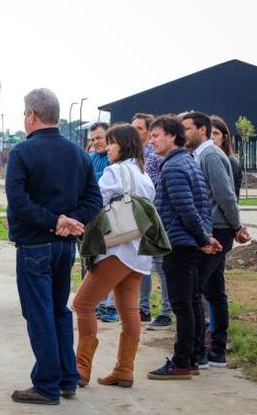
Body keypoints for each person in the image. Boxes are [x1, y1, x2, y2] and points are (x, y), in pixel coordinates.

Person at [6, 88, 102, 405]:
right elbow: (94, 199)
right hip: (65, 247)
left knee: (40, 315)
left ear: (32, 115)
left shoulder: (21, 153)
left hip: (36, 245)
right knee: (59, 311)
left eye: (24, 113)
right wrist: (71, 221)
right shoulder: (78, 153)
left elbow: (18, 202)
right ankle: (66, 378)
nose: (24, 119)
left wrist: (54, 221)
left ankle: (46, 384)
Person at [73, 124, 160, 389]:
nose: (107, 148)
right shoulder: (143, 174)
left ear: (123, 144)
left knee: (82, 304)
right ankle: (124, 369)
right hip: (139, 253)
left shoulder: (116, 171)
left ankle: (81, 368)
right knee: (129, 310)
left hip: (116, 248)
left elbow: (95, 202)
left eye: (111, 143)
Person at [146, 115, 219, 380]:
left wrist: (202, 239)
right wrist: (204, 238)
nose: (151, 141)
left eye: (156, 135)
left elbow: (186, 209)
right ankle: (192, 358)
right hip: (188, 243)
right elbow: (199, 208)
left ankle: (180, 363)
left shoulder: (174, 167)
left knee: (182, 305)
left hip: (179, 244)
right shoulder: (186, 162)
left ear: (173, 137)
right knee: (190, 302)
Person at [181, 112, 248, 369]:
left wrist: (236, 227)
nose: (182, 133)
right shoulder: (202, 155)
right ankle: (216, 350)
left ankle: (200, 352)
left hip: (217, 230)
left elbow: (225, 196)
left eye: (187, 129)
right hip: (216, 228)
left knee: (195, 287)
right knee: (213, 290)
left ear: (202, 131)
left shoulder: (209, 156)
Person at [133, 113, 173, 330]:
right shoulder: (135, 153)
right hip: (141, 216)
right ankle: (144, 308)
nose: (135, 131)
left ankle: (166, 311)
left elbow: (154, 187)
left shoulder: (154, 156)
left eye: (139, 128)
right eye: (133, 128)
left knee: (159, 264)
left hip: (155, 216)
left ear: (149, 132)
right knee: (143, 264)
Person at [87, 122, 118, 323]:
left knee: (109, 263)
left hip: (111, 218)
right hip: (94, 218)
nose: (97, 142)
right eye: (93, 139)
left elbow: (100, 181)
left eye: (100, 137)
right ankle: (98, 303)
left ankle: (110, 307)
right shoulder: (90, 158)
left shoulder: (111, 159)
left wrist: (90, 179)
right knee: (95, 262)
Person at [211, 115, 244, 200]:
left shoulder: (231, 162)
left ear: (224, 138)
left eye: (216, 133)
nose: (211, 137)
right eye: (209, 133)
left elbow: (230, 197)